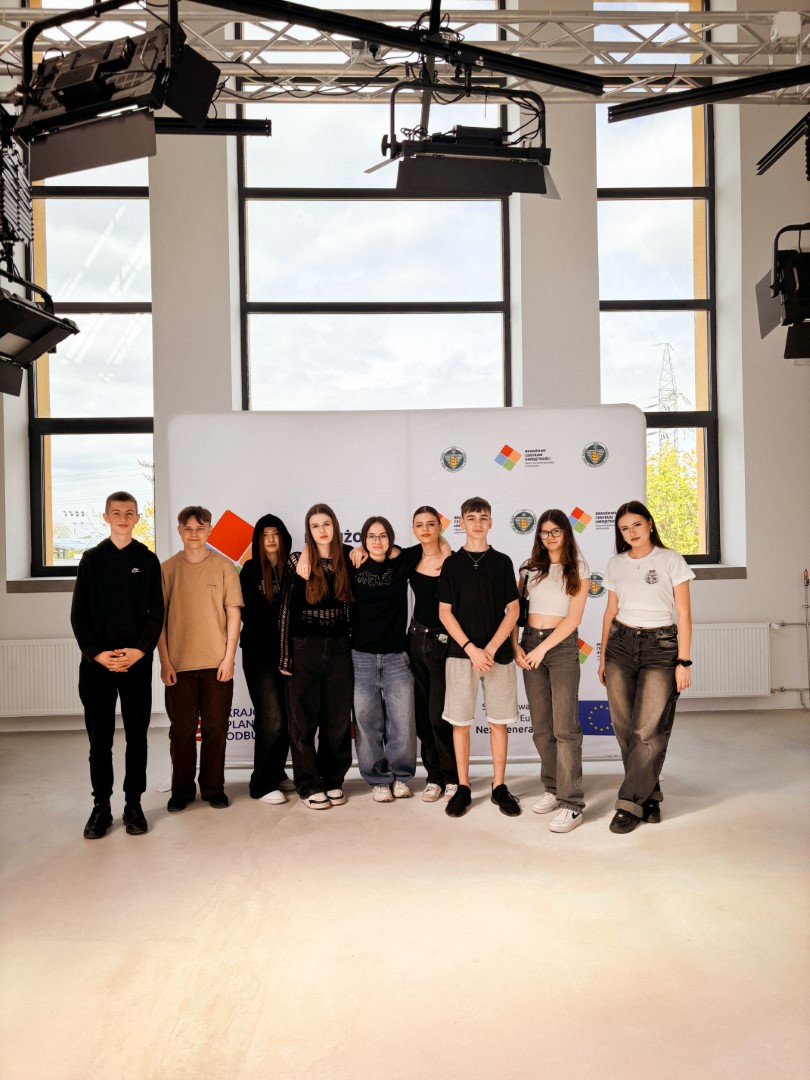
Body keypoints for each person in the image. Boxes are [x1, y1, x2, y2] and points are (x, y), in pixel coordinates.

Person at [70, 491, 164, 839]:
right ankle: (101, 807)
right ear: (106, 517)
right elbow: (79, 615)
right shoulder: (91, 560)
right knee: (100, 741)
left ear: (137, 518)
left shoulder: (147, 559)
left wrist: (139, 651)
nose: (123, 519)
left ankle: (133, 805)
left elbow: (157, 613)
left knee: (137, 738)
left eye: (129, 513)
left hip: (136, 665)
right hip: (97, 667)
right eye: (117, 513)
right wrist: (97, 654)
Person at [597, 499, 694, 834]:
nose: (631, 532)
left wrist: (683, 661)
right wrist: (602, 657)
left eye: (637, 525)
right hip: (620, 645)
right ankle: (649, 796)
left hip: (660, 648)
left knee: (648, 730)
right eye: (624, 528)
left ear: (650, 524)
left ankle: (628, 804)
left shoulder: (671, 560)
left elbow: (684, 614)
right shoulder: (616, 563)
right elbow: (610, 612)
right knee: (625, 727)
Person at [438, 496, 521, 819]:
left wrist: (490, 648)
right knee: (460, 723)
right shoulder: (452, 564)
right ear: (461, 522)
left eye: (483, 517)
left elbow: (513, 610)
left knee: (498, 722)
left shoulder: (502, 562)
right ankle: (463, 786)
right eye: (471, 518)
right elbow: (445, 612)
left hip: (498, 655)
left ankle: (499, 786)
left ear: (490, 523)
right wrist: (472, 648)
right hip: (461, 655)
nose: (477, 523)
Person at [158, 505, 243, 812]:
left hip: (216, 664)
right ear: (180, 531)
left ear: (209, 530)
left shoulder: (224, 567)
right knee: (181, 731)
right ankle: (181, 790)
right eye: (188, 529)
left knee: (215, 729)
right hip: (179, 665)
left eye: (200, 528)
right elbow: (159, 621)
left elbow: (233, 615)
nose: (194, 534)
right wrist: (165, 661)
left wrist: (229, 658)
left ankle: (213, 788)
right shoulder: (167, 569)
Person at [512, 510, 589, 834]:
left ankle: (572, 804)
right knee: (541, 726)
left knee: (565, 728)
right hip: (529, 642)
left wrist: (542, 649)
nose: (549, 537)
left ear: (566, 534)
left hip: (560, 647)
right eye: (544, 532)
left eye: (555, 531)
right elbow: (515, 611)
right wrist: (516, 646)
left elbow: (574, 618)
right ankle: (553, 787)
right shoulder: (528, 568)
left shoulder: (578, 568)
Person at [279, 503, 354, 810]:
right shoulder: (296, 561)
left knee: (337, 720)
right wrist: (285, 655)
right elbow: (285, 610)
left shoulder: (349, 557)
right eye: (315, 526)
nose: (322, 530)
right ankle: (309, 784)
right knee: (303, 722)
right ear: (308, 531)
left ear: (335, 526)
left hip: (340, 649)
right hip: (304, 648)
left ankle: (333, 780)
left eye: (326, 524)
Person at [348, 515, 419, 802]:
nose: (377, 541)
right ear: (363, 540)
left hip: (396, 656)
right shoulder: (352, 562)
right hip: (361, 657)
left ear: (391, 539)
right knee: (367, 724)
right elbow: (322, 546)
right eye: (371, 536)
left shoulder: (401, 562)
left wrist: (398, 551)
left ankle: (401, 776)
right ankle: (377, 779)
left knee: (402, 722)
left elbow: (438, 543)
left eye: (383, 536)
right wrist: (356, 550)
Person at [239, 513, 295, 806]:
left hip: (289, 652)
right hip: (259, 653)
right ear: (258, 540)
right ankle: (261, 783)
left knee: (286, 716)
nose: (271, 539)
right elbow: (250, 614)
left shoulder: (293, 568)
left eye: (275, 533)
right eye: (265, 535)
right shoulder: (249, 571)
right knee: (271, 716)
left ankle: (275, 772)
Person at [407, 506, 458, 803]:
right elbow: (378, 551)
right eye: (419, 525)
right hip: (415, 640)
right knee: (423, 715)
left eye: (430, 524)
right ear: (413, 529)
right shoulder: (411, 557)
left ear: (440, 526)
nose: (425, 529)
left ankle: (451, 776)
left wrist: (446, 551)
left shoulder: (453, 561)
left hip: (443, 641)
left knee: (440, 714)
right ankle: (434, 776)